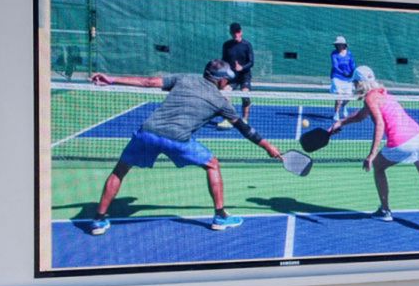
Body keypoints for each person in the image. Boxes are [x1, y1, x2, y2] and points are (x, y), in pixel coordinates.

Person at [84, 59, 282, 235]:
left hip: (148, 132)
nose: (227, 83)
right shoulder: (221, 102)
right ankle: (220, 216)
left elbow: (149, 82)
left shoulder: (184, 78)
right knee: (212, 164)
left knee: (119, 171)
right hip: (177, 140)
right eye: (227, 80)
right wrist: (267, 147)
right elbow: (244, 129)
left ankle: (98, 220)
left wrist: (111, 79)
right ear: (221, 80)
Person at [330, 66, 419, 234]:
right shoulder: (383, 94)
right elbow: (360, 116)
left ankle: (385, 210)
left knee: (378, 166)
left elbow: (379, 124)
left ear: (360, 83)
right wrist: (341, 122)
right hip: (418, 137)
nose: (355, 86)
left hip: (401, 141)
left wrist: (371, 154)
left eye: (355, 83)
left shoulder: (370, 98)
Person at [222, 22, 254, 120]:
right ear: (231, 33)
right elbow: (224, 61)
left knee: (245, 96)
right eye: (234, 32)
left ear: (241, 32)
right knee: (225, 93)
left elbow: (251, 62)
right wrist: (223, 73)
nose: (236, 34)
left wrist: (242, 68)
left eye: (238, 32)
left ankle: (245, 119)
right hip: (232, 76)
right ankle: (230, 119)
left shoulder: (247, 45)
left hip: (245, 76)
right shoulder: (226, 45)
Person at [329, 35, 357, 122]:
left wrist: (352, 73)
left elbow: (353, 64)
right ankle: (336, 113)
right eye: (337, 44)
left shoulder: (349, 54)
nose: (337, 45)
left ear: (343, 45)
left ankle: (344, 106)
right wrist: (343, 73)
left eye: (339, 44)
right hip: (337, 77)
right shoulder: (334, 54)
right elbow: (335, 66)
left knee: (348, 97)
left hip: (348, 78)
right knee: (339, 97)